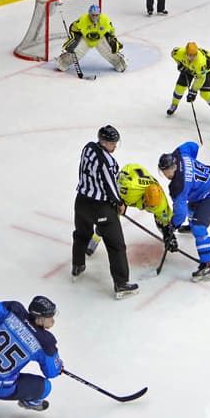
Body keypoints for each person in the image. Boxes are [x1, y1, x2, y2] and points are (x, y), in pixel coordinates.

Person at [71, 125, 138, 299]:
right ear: (103, 141)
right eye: (112, 143)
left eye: (116, 142)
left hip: (81, 201)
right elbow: (109, 186)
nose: (114, 146)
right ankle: (121, 283)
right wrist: (120, 203)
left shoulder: (88, 148)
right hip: (99, 206)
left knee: (81, 234)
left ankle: (77, 265)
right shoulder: (107, 161)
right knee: (116, 245)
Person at [158, 143, 210, 281]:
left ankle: (208, 265)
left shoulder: (178, 185)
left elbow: (180, 214)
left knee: (199, 228)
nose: (165, 175)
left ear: (171, 169)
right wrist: (191, 167)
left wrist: (173, 225)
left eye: (165, 172)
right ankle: (192, 223)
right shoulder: (179, 154)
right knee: (191, 208)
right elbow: (193, 146)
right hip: (206, 185)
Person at [86, 162, 176, 257]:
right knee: (109, 219)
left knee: (162, 220)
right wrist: (120, 203)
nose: (149, 208)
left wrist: (169, 236)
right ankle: (95, 238)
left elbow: (165, 220)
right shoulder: (129, 190)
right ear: (144, 196)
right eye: (148, 204)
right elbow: (111, 190)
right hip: (130, 173)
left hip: (139, 181)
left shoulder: (161, 204)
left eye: (152, 207)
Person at [165, 41, 210, 122]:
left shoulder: (200, 63)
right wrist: (179, 64)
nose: (192, 57)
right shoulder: (179, 52)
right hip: (188, 68)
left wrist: (193, 91)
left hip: (206, 71)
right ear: (185, 53)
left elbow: (200, 78)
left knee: (205, 93)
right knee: (179, 87)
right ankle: (174, 104)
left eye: (194, 55)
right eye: (190, 55)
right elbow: (173, 53)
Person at [55, 4, 127, 74]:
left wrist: (112, 39)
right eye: (93, 15)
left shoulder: (105, 20)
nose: (95, 17)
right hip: (85, 39)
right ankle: (62, 62)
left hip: (100, 39)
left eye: (97, 15)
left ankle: (120, 63)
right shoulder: (82, 20)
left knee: (109, 52)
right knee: (77, 53)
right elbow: (73, 28)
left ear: (99, 14)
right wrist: (74, 39)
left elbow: (111, 31)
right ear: (89, 14)